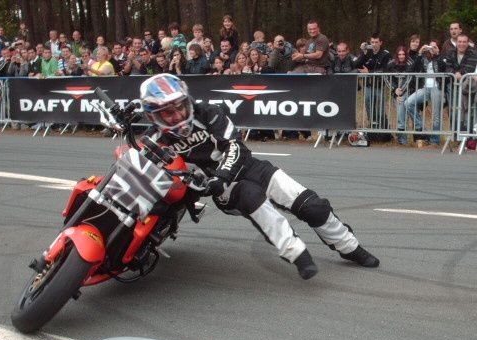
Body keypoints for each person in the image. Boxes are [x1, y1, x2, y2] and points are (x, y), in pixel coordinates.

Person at [139, 73, 380, 280]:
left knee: (313, 206)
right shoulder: (153, 140)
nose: (178, 115)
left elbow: (236, 147)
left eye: (180, 106)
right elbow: (139, 167)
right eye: (168, 112)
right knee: (251, 196)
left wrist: (222, 174)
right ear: (153, 116)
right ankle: (296, 253)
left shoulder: (209, 113)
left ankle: (350, 247)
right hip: (220, 188)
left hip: (247, 167)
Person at [405, 39, 446, 146]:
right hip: (425, 87)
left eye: (434, 47)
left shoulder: (442, 58)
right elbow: (412, 70)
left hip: (437, 88)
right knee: (408, 103)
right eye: (430, 47)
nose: (431, 49)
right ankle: (423, 129)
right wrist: (419, 54)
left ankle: (435, 141)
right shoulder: (424, 58)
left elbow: (443, 68)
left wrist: (437, 54)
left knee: (436, 115)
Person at [357, 33, 392, 141]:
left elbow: (386, 69)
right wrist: (363, 51)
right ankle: (373, 129)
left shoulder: (386, 54)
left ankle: (384, 133)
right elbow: (357, 64)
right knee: (369, 108)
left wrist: (370, 72)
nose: (374, 44)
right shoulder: (367, 53)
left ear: (380, 42)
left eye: (376, 42)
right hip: (368, 85)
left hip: (379, 86)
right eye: (372, 42)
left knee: (380, 110)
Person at [385, 46, 414, 145]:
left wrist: (401, 90)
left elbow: (409, 78)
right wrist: (394, 89)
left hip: (406, 92)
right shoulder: (391, 64)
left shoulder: (410, 63)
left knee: (402, 112)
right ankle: (402, 138)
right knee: (400, 113)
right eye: (399, 54)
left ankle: (403, 139)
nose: (401, 56)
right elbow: (386, 77)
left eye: (403, 54)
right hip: (395, 92)